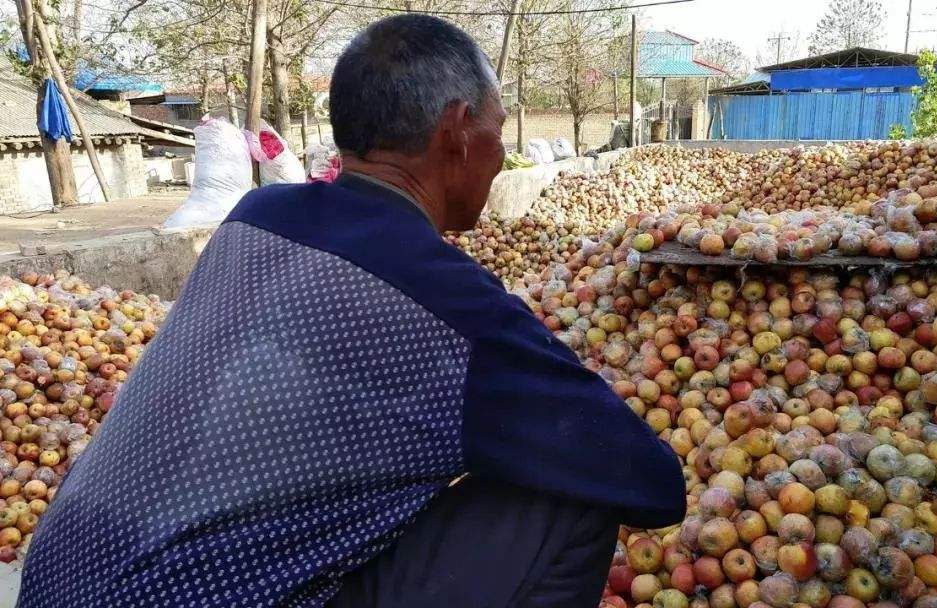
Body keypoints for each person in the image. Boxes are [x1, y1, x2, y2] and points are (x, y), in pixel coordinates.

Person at [17, 14, 684, 608]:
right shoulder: (452, 304)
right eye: (497, 129)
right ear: (456, 131)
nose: (501, 153)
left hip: (55, 576)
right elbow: (651, 482)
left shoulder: (256, 216)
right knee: (570, 494)